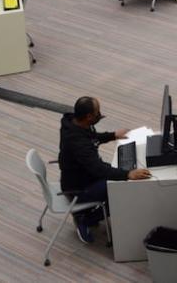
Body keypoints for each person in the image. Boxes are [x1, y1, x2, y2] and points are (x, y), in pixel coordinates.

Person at [58, 96, 151, 244]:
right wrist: (127, 174)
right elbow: (98, 169)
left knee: (117, 176)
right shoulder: (77, 142)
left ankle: (87, 214)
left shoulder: (75, 124)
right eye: (97, 112)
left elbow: (92, 137)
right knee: (121, 189)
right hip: (79, 188)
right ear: (88, 117)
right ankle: (85, 219)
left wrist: (113, 135)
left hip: (84, 176)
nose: (100, 114)